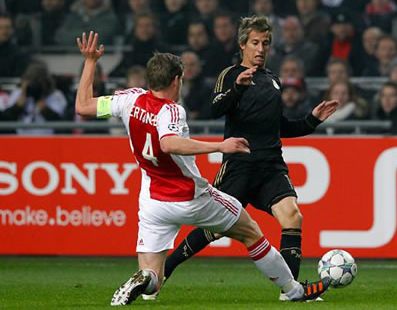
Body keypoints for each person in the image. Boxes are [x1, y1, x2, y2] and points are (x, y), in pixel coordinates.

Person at [75, 31, 331, 306]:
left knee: (153, 279)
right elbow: (170, 144)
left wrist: (90, 62)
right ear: (176, 80)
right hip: (190, 196)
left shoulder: (130, 99)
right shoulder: (172, 111)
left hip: (152, 201)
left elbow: (83, 105)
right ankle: (293, 290)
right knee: (251, 232)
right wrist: (219, 147)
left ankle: (142, 279)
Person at [159, 15, 339, 302]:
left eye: (265, 43)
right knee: (213, 231)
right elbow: (216, 109)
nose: (260, 49)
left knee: (293, 216)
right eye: (255, 42)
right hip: (239, 166)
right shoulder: (230, 75)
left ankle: (290, 290)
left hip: (270, 165)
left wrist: (312, 120)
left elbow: (281, 127)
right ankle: (164, 271)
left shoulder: (273, 80)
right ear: (242, 44)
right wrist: (239, 87)